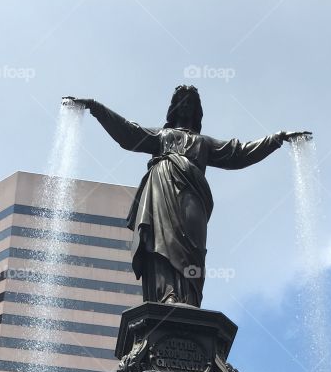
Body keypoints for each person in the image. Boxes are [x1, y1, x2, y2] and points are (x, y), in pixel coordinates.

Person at [65, 87, 310, 307]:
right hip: (162, 188)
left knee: (194, 247)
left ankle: (190, 300)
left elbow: (239, 153)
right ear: (173, 107)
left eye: (190, 102)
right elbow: (128, 133)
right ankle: (167, 295)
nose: (185, 105)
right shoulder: (162, 136)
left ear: (197, 111)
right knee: (160, 241)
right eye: (181, 100)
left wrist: (276, 138)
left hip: (193, 194)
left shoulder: (204, 143)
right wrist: (97, 108)